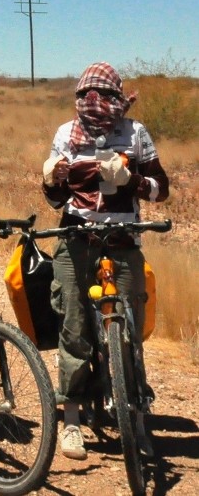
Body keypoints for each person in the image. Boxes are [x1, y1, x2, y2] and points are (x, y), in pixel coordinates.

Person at [41, 61, 169, 460]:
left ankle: (136, 418)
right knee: (74, 328)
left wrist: (131, 180)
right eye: (86, 96)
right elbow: (55, 199)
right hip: (76, 237)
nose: (95, 105)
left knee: (129, 332)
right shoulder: (67, 133)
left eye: (105, 96)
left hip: (122, 238)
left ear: (118, 98)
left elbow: (160, 190)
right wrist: (53, 179)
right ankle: (73, 422)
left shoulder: (136, 134)